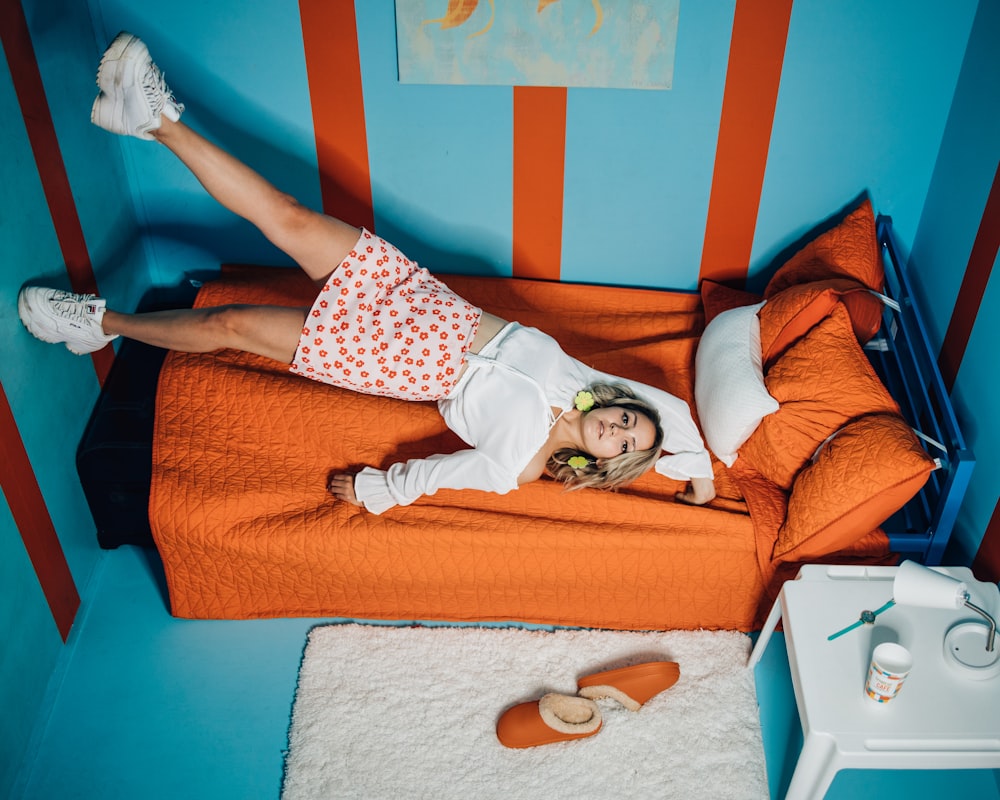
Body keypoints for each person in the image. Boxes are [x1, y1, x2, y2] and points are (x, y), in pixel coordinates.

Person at [18, 32, 716, 515]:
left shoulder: (518, 463)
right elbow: (675, 417)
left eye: (626, 446)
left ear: (603, 466)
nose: (622, 429)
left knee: (230, 324)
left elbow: (441, 476)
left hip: (391, 358)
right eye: (628, 420)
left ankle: (99, 324)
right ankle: (155, 119)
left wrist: (376, 492)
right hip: (420, 297)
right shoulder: (584, 385)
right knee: (288, 214)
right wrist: (704, 477)